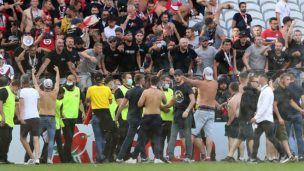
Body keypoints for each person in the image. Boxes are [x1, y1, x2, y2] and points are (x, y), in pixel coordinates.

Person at [125, 76, 167, 164]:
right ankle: (157, 158)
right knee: (156, 138)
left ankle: (133, 158)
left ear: (150, 82)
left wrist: (147, 103)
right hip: (157, 116)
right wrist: (161, 91)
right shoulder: (160, 92)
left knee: (141, 138)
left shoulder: (146, 92)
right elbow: (165, 102)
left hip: (147, 116)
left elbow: (139, 104)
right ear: (158, 82)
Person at [222, 74, 259, 162]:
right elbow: (245, 104)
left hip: (243, 116)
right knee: (250, 137)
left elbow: (239, 102)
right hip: (245, 117)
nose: (257, 83)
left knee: (239, 138)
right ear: (249, 80)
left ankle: (229, 156)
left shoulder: (243, 89)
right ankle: (253, 157)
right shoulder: (245, 89)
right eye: (256, 82)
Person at [183, 67, 218, 161]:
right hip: (212, 111)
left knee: (192, 133)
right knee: (209, 135)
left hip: (202, 110)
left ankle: (188, 155)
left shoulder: (201, 83)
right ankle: (208, 156)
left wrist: (181, 75)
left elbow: (188, 81)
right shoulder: (215, 84)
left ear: (203, 75)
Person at [249, 74, 285, 163]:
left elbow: (264, 106)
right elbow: (262, 106)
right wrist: (257, 116)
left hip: (266, 120)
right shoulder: (264, 90)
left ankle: (283, 154)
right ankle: (253, 158)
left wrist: (256, 117)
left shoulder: (267, 91)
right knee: (256, 137)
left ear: (263, 80)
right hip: (262, 120)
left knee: (271, 138)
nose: (257, 81)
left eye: (259, 79)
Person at [164, 69, 196, 163]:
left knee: (187, 135)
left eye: (178, 75)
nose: (177, 77)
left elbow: (193, 100)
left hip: (186, 113)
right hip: (177, 113)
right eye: (175, 76)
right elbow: (173, 100)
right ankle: (169, 156)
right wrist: (164, 106)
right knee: (173, 135)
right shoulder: (174, 87)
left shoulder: (187, 86)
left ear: (182, 76)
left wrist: (187, 110)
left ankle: (188, 157)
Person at [32, 66, 60, 164]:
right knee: (51, 140)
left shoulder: (40, 93)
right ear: (51, 86)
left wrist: (33, 73)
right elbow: (57, 82)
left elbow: (35, 83)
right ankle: (49, 159)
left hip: (41, 117)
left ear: (43, 85)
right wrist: (57, 71)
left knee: (37, 138)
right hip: (52, 118)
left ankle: (37, 158)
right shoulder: (54, 93)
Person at [115, 74, 145, 162]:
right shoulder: (143, 91)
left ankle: (119, 157)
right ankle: (142, 157)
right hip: (139, 117)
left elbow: (121, 106)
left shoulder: (130, 91)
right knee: (143, 137)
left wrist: (116, 116)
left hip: (130, 117)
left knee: (128, 138)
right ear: (141, 80)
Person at [86, 73, 114, 163]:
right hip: (105, 115)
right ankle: (102, 156)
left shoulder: (90, 89)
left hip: (96, 114)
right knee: (104, 137)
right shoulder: (107, 89)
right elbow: (110, 101)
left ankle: (100, 157)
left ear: (94, 79)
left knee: (98, 137)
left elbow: (87, 100)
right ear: (103, 79)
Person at [273, 73, 299, 163]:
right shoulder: (277, 91)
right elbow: (274, 105)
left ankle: (286, 155)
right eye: (287, 79)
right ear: (282, 80)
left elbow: (291, 102)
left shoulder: (287, 90)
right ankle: (287, 155)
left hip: (286, 118)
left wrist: (301, 110)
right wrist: (279, 117)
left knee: (284, 138)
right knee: (282, 138)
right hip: (278, 119)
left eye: (289, 79)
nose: (289, 81)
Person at [18, 74, 40, 165]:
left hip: (26, 117)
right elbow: (38, 106)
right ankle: (37, 158)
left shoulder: (21, 91)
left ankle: (32, 157)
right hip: (36, 117)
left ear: (22, 82)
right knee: (35, 137)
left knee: (22, 138)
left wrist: (21, 117)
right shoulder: (35, 91)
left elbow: (21, 105)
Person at [61, 75, 83, 163]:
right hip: (64, 117)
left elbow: (80, 102)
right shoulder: (62, 89)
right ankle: (68, 158)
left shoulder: (78, 89)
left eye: (71, 79)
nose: (69, 81)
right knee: (69, 138)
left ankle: (64, 157)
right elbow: (58, 101)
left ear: (75, 81)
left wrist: (83, 112)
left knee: (69, 139)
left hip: (74, 117)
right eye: (68, 79)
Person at [0, 78, 19, 164]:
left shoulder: (12, 93)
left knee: (8, 139)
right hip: (3, 120)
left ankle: (4, 159)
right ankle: (1, 159)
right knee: (5, 139)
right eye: (17, 88)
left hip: (9, 121)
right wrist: (3, 116)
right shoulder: (4, 90)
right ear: (13, 85)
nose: (17, 90)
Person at [225, 82, 242, 156]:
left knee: (231, 138)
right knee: (239, 139)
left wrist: (229, 122)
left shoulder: (233, 98)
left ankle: (231, 156)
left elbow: (233, 113)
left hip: (234, 120)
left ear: (231, 88)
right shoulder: (241, 96)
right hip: (241, 119)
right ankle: (241, 157)